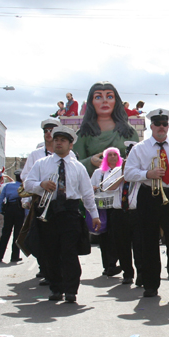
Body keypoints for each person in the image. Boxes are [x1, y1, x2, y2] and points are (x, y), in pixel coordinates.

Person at [123, 109, 169, 301]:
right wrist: (147, 174)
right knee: (148, 241)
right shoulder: (140, 148)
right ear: (151, 126)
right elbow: (128, 173)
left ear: (168, 126)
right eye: (158, 124)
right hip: (149, 194)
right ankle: (150, 284)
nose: (161, 127)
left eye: (164, 124)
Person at [24, 126, 100, 303]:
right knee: (50, 252)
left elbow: (87, 193)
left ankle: (71, 289)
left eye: (63, 140)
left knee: (69, 252)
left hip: (70, 212)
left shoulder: (78, 167)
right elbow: (28, 184)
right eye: (56, 139)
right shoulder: (42, 163)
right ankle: (56, 288)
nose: (58, 142)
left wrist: (94, 215)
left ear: (70, 145)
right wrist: (40, 185)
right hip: (48, 211)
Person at [18, 118, 60, 279]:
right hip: (41, 199)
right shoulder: (36, 154)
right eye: (46, 131)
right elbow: (25, 177)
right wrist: (40, 185)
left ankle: (56, 268)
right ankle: (44, 267)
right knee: (39, 236)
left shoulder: (66, 152)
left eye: (51, 130)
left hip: (60, 201)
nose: (48, 134)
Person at [74, 82, 141, 175]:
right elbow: (73, 166)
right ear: (91, 102)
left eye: (109, 97)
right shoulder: (83, 133)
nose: (104, 101)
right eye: (98, 97)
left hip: (122, 184)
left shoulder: (129, 132)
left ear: (115, 101)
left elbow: (137, 163)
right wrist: (91, 162)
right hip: (92, 185)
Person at [108, 140, 142, 286]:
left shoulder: (143, 171)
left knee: (140, 246)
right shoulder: (116, 171)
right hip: (119, 212)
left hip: (137, 213)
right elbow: (109, 188)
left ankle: (141, 273)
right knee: (122, 245)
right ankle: (127, 273)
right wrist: (124, 174)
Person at [91, 147, 125, 278]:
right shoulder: (98, 173)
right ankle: (108, 265)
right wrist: (94, 187)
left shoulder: (122, 171)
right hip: (102, 206)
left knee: (116, 235)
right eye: (109, 155)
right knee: (104, 237)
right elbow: (90, 187)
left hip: (117, 206)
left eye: (115, 154)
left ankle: (114, 262)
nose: (112, 157)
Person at [0, 171, 26, 263]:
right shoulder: (23, 187)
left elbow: (1, 198)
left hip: (9, 209)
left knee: (5, 232)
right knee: (17, 234)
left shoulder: (8, 186)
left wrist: (1, 209)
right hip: (19, 209)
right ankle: (15, 256)